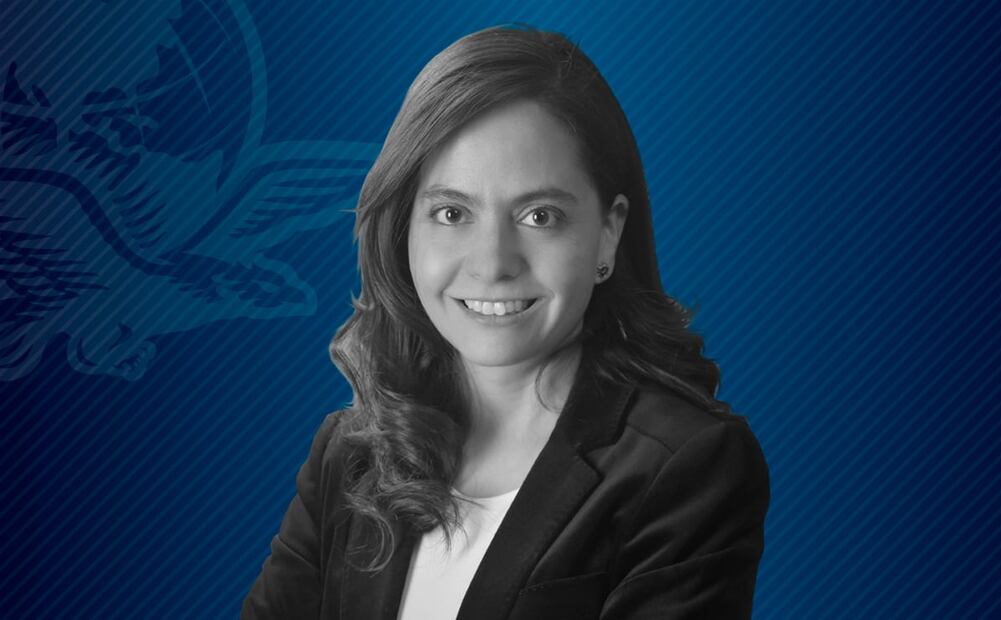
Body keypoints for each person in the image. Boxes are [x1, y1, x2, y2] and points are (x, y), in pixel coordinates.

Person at [242, 25, 770, 620]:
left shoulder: (687, 466)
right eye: (451, 213)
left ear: (608, 233)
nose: (493, 264)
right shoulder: (351, 453)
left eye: (539, 216)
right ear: (404, 228)